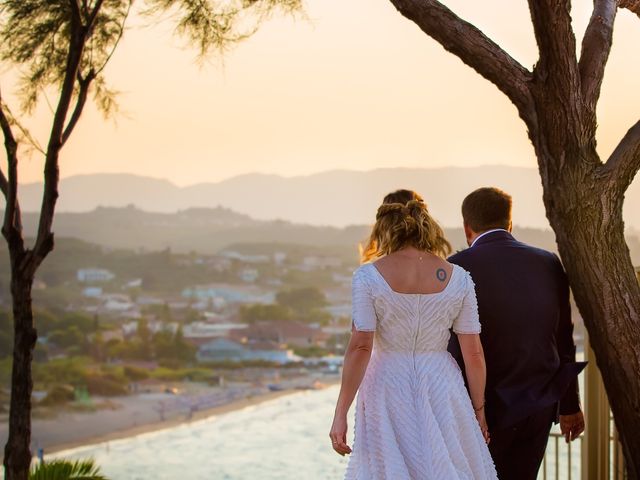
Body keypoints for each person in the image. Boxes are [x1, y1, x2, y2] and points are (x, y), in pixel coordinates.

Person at [330, 189, 497, 480]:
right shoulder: (459, 278)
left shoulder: (368, 277)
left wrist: (340, 412)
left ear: (384, 224)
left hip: (387, 383)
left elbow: (360, 347)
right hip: (441, 383)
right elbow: (474, 353)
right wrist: (479, 410)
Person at [447, 187, 586, 480]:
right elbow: (564, 337)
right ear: (510, 223)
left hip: (480, 409)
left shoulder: (457, 268)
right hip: (538, 406)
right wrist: (570, 405)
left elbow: (452, 346)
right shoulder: (548, 262)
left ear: (466, 227)